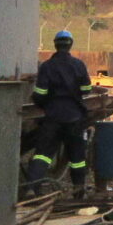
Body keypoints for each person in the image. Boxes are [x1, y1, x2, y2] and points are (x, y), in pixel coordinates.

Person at [29, 30, 94, 195]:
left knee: (43, 155)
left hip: (52, 117)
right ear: (70, 44)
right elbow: (86, 89)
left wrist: (43, 104)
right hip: (74, 117)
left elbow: (40, 93)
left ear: (55, 45)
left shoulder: (46, 66)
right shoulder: (79, 65)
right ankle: (79, 192)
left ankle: (31, 189)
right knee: (77, 158)